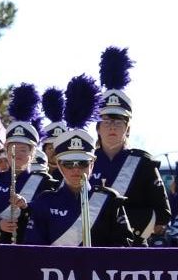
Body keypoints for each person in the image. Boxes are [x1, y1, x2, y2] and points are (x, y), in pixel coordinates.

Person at [25, 75, 133, 247]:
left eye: (82, 163)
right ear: (59, 165)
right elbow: (33, 249)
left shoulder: (109, 200)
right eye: (69, 164)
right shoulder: (45, 202)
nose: (76, 170)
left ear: (92, 163)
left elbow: (125, 251)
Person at [92, 45, 170, 239]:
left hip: (132, 247)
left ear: (128, 129)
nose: (112, 127)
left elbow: (162, 214)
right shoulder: (83, 162)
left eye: (118, 122)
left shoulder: (143, 163)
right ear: (97, 128)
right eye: (107, 121)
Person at [0, 83, 54, 243]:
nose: (18, 154)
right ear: (6, 151)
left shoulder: (46, 184)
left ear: (33, 153)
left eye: (24, 150)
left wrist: (26, 209)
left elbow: (50, 223)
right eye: (13, 149)